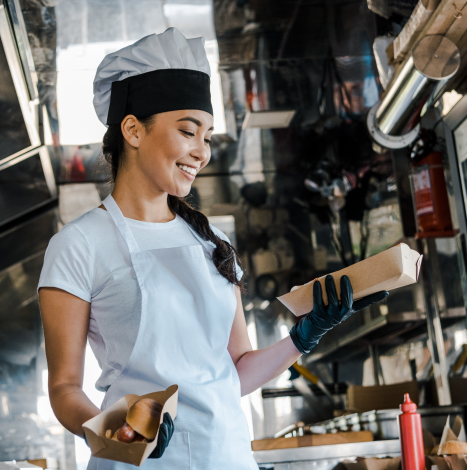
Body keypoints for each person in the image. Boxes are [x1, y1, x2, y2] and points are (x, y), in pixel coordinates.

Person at [38, 27, 389, 469]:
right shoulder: (79, 245)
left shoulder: (213, 242)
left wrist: (303, 336)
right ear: (132, 130)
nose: (201, 152)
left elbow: (234, 373)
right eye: (188, 131)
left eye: (207, 137)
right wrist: (115, 432)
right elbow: (65, 388)